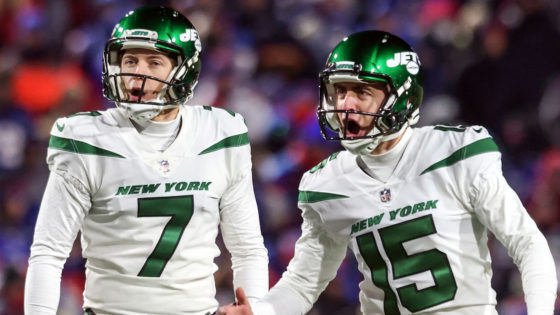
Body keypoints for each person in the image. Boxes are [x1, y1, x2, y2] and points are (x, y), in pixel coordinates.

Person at [218, 30, 557, 315]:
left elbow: (526, 243)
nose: (346, 105)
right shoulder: (326, 184)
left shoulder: (456, 153)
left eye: (362, 91)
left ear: (402, 98)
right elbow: (304, 284)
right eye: (340, 90)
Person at [24, 5, 268, 315]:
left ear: (184, 69)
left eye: (154, 62)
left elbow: (247, 249)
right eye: (129, 60)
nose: (137, 73)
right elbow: (48, 253)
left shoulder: (221, 133)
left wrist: (255, 307)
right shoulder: (86, 138)